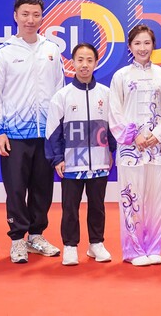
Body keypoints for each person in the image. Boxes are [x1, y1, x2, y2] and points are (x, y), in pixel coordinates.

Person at [0, 0, 64, 263]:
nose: (31, 19)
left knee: (43, 187)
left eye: (36, 14)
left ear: (42, 17)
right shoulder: (4, 53)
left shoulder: (51, 50)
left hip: (45, 134)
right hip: (14, 134)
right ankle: (18, 240)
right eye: (25, 14)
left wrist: (58, 133)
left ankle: (36, 236)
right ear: (15, 16)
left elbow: (60, 93)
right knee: (17, 188)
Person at [109, 24, 161, 266]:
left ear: (153, 46)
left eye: (147, 43)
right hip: (131, 149)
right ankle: (134, 250)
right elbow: (115, 112)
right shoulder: (121, 77)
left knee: (156, 200)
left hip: (157, 149)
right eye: (137, 43)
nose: (143, 48)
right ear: (130, 47)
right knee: (131, 198)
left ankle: (155, 248)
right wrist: (134, 137)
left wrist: (157, 135)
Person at [45, 43, 114, 266]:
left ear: (96, 63)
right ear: (72, 63)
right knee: (70, 207)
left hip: (100, 163)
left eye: (89, 60)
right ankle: (70, 246)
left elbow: (113, 128)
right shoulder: (62, 96)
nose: (84, 65)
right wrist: (57, 158)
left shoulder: (107, 94)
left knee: (97, 205)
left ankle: (96, 244)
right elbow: (52, 132)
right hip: (71, 165)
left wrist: (112, 152)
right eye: (80, 60)